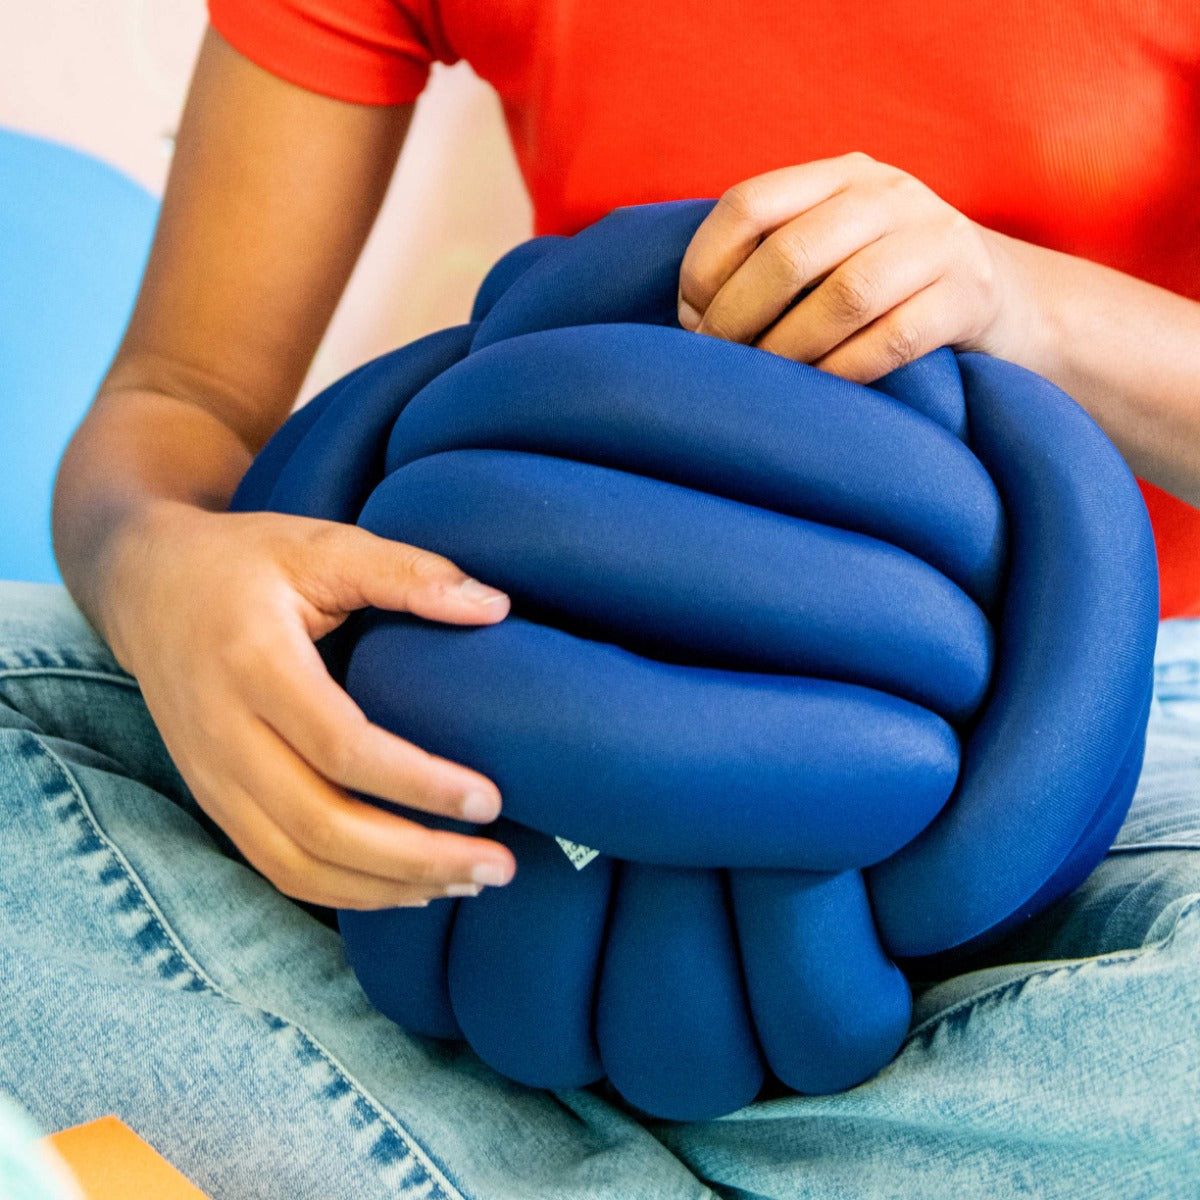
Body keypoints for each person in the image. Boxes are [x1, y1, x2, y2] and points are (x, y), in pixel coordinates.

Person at [2, 1, 1199, 1195]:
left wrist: (1024, 302)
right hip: (501, 696)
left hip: (1072, 736)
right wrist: (152, 565)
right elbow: (184, 394)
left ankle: (430, 1137)